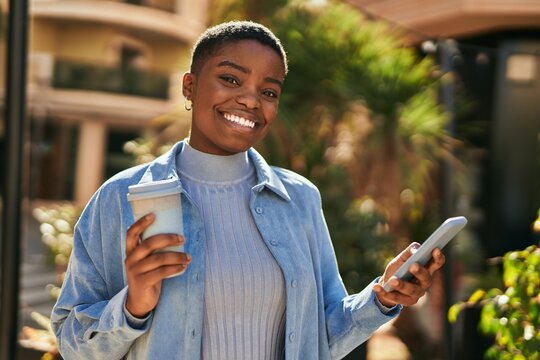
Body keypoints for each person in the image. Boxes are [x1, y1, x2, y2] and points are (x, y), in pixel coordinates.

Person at [51, 21, 445, 360]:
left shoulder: (299, 199)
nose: (250, 99)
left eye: (269, 91)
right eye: (230, 79)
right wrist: (132, 307)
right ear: (190, 86)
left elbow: (320, 338)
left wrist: (382, 297)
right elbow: (73, 346)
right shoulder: (121, 198)